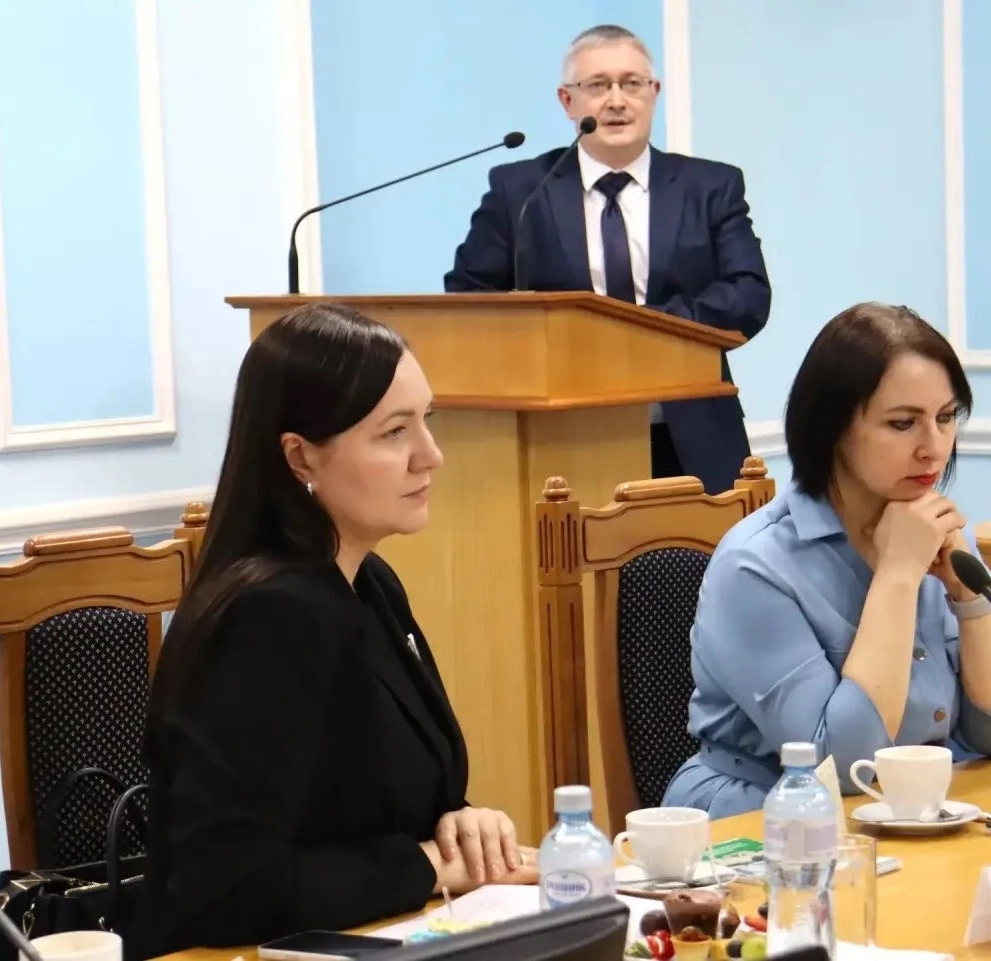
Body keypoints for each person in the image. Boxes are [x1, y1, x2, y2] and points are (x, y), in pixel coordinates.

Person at [133, 304, 537, 955]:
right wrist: (428, 864)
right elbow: (229, 889)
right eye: (394, 432)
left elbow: (370, 800)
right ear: (300, 457)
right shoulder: (269, 618)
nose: (431, 456)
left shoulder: (370, 583)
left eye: (427, 421)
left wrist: (462, 824)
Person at [661, 302, 991, 818]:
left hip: (910, 810)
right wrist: (898, 576)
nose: (934, 448)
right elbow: (841, 767)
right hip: (768, 819)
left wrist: (968, 597)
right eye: (903, 423)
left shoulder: (937, 531)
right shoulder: (753, 566)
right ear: (833, 427)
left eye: (946, 417)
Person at [443, 24, 772, 496]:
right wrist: (566, 339)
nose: (617, 101)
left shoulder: (710, 187)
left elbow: (748, 294)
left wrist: (637, 329)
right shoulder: (521, 192)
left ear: (654, 93)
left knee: (704, 547)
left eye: (632, 83)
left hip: (692, 435)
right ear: (567, 101)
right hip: (562, 441)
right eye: (598, 85)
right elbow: (470, 302)